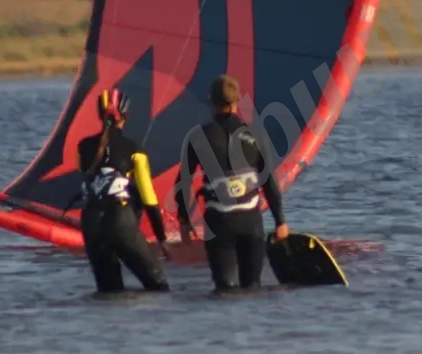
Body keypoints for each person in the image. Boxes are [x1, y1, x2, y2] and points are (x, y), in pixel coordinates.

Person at [174, 74, 289, 292]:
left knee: (224, 291)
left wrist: (184, 220)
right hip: (251, 223)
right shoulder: (255, 133)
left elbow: (183, 182)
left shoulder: (198, 136)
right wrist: (280, 221)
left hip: (219, 223)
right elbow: (269, 182)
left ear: (211, 101)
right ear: (237, 101)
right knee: (253, 288)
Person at [76, 87, 171, 294]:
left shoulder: (83, 147)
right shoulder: (135, 151)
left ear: (100, 115)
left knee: (108, 293)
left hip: (91, 223)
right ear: (125, 116)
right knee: (159, 287)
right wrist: (162, 240)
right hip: (119, 220)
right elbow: (149, 199)